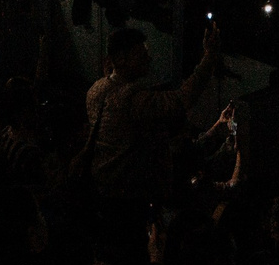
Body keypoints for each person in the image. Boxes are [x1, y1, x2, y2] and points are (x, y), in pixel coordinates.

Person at [78, 21, 222, 204]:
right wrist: (209, 57)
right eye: (141, 54)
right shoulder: (133, 99)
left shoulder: (94, 90)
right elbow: (182, 99)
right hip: (129, 197)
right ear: (122, 58)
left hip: (102, 187)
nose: (148, 59)